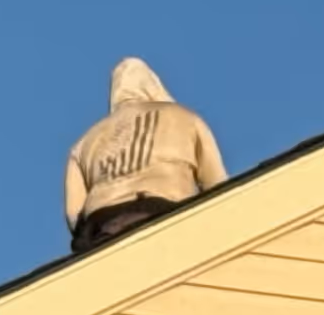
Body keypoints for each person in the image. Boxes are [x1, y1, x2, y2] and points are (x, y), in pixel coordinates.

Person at [65, 58, 227, 253]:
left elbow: (74, 214)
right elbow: (217, 185)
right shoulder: (185, 117)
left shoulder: (84, 143)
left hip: (102, 226)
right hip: (163, 211)